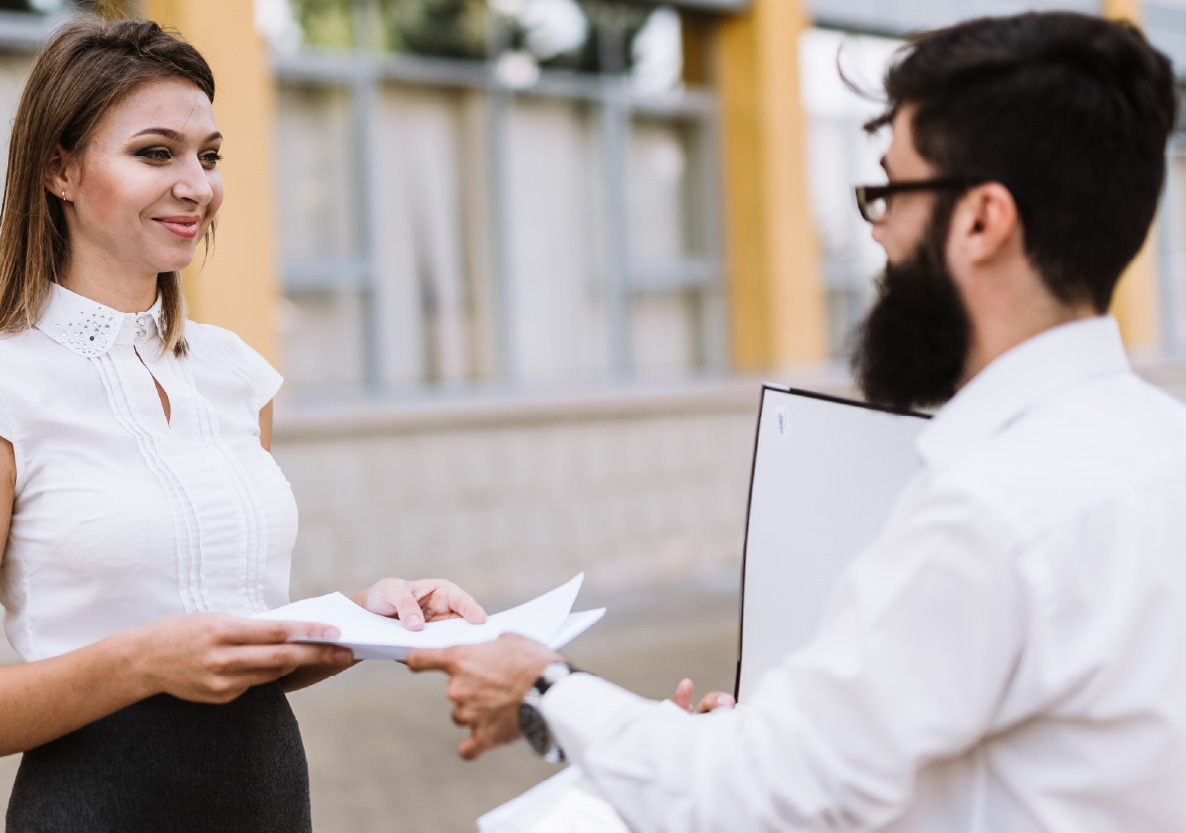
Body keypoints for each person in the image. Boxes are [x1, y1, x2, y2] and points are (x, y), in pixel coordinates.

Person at [408, 12, 1186, 831]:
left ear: (982, 221)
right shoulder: (1163, 446)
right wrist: (744, 737)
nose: (877, 233)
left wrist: (541, 686)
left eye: (889, 193)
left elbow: (769, 796)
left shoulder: (989, 511)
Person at [0, 18, 484, 832]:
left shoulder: (236, 375)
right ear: (60, 169)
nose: (197, 186)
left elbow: (236, 650)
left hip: (268, 800)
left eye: (208, 156)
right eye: (155, 153)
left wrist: (359, 621)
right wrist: (139, 662)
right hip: (98, 809)